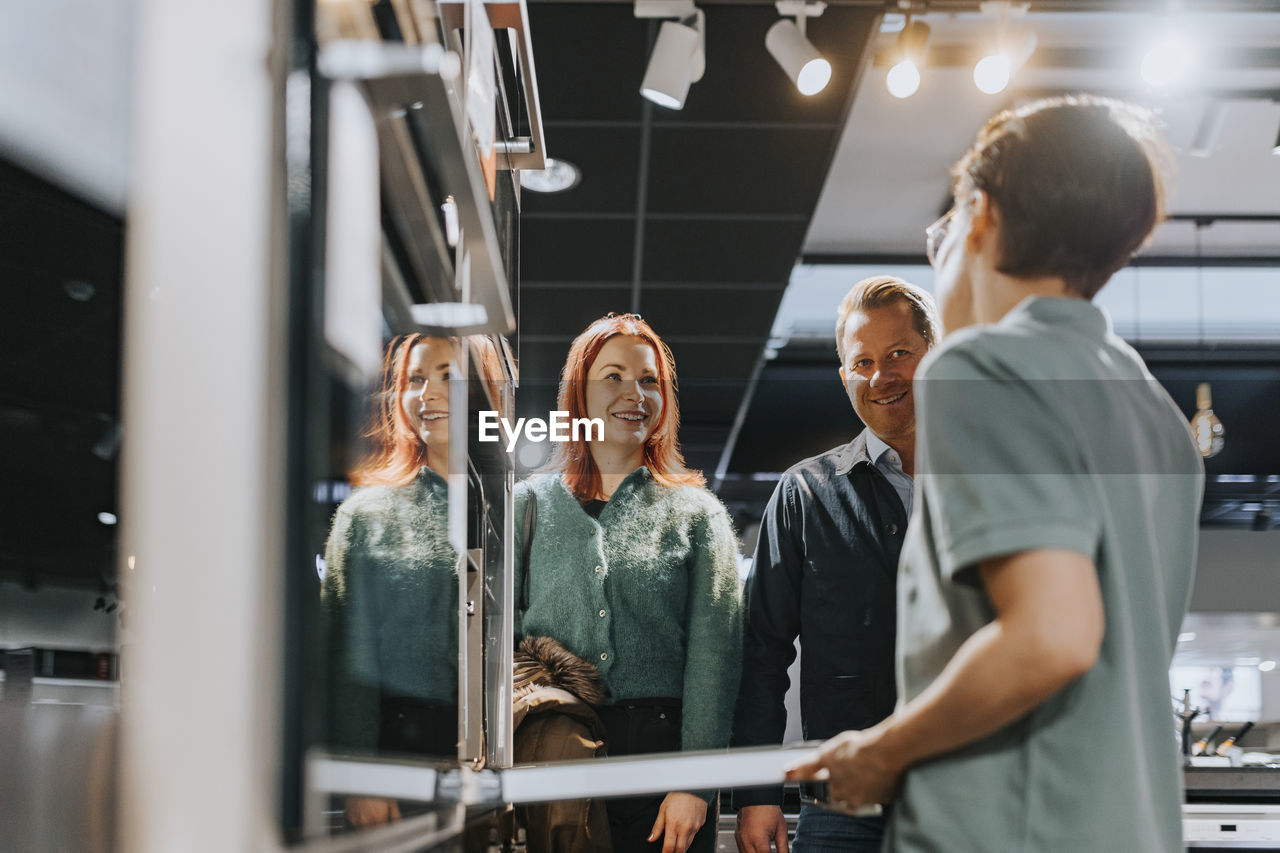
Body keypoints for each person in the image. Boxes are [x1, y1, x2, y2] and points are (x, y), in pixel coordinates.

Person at [787, 95, 1205, 852]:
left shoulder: (978, 368)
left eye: (941, 233)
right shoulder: (1154, 411)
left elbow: (1052, 635)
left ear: (977, 217)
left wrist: (882, 750)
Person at [514, 312, 743, 853]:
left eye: (648, 380)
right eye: (612, 376)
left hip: (661, 768)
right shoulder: (526, 506)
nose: (633, 393)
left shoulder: (696, 514)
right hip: (553, 756)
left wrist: (694, 784)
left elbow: (716, 660)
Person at [732, 277, 937, 853]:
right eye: (862, 361)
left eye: (900, 353)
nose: (881, 376)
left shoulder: (995, 481)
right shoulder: (805, 494)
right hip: (844, 811)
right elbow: (761, 650)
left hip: (975, 799)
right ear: (845, 376)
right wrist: (757, 792)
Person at [322, 333, 503, 828]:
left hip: (502, 761)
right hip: (401, 756)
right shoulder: (368, 515)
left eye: (450, 377)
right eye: (415, 379)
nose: (428, 394)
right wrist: (364, 774)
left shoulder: (519, 509)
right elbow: (347, 657)